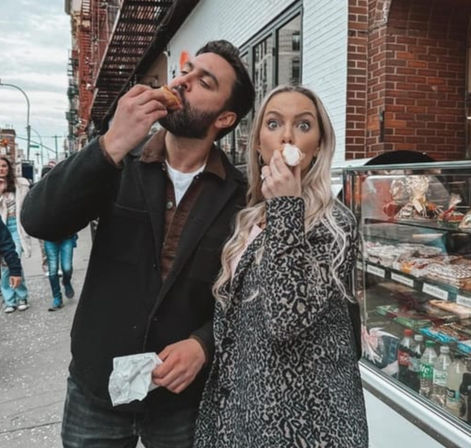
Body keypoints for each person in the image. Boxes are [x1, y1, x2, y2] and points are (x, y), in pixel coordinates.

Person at [21, 40, 254, 448]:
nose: (182, 82)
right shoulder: (117, 162)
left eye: (205, 81)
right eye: (185, 70)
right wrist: (110, 143)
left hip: (180, 400)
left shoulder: (241, 196)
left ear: (225, 117)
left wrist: (204, 344)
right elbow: (39, 220)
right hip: (98, 389)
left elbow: (247, 296)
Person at [193, 85, 369, 447]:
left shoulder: (334, 224)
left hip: (308, 424)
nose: (287, 135)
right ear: (259, 144)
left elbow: (286, 318)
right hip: (248, 414)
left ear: (318, 146)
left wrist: (288, 206)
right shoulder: (251, 218)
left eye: (303, 125)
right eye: (273, 124)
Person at [0, 156, 30, 313]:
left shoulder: (19, 185)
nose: (1, 169)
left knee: (13, 258)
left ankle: (21, 296)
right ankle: (10, 299)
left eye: (4, 166)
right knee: (4, 264)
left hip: (15, 226)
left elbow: (27, 203)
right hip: (1, 226)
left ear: (9, 168)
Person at [44, 234, 78, 311]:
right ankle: (57, 297)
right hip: (49, 238)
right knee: (53, 270)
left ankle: (66, 281)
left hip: (66, 236)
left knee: (67, 268)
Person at [0, 215, 24, 311]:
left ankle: (21, 297)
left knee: (6, 268)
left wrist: (15, 270)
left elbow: (5, 243)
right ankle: (9, 301)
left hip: (15, 226)